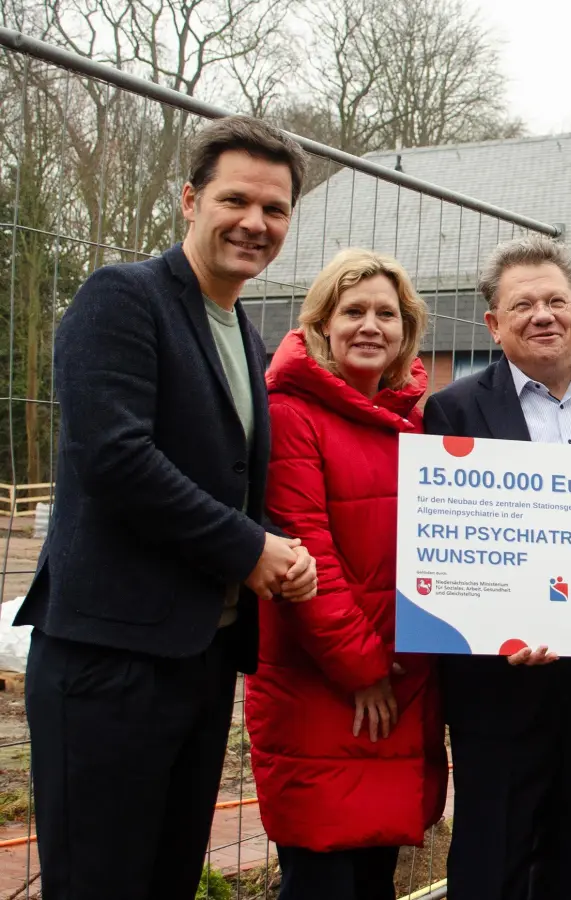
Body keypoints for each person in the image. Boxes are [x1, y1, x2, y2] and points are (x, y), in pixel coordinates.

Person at [19, 115, 317, 900]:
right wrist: (250, 549)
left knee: (165, 878)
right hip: (109, 659)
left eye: (276, 209)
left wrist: (282, 545)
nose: (255, 222)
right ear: (190, 200)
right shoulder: (123, 298)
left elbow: (222, 480)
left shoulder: (246, 336)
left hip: (199, 657)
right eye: (236, 199)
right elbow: (116, 459)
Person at [422, 234, 571, 899]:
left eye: (557, 299)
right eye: (522, 305)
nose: (543, 315)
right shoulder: (455, 408)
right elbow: (451, 541)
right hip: (503, 682)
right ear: (493, 323)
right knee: (490, 859)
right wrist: (497, 623)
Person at [246, 249, 446, 899]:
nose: (370, 326)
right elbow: (307, 556)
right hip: (325, 688)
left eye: (386, 313)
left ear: (405, 329)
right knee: (320, 878)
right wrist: (362, 670)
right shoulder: (290, 414)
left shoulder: (416, 421)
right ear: (321, 324)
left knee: (373, 878)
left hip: (399, 685)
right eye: (352, 311)